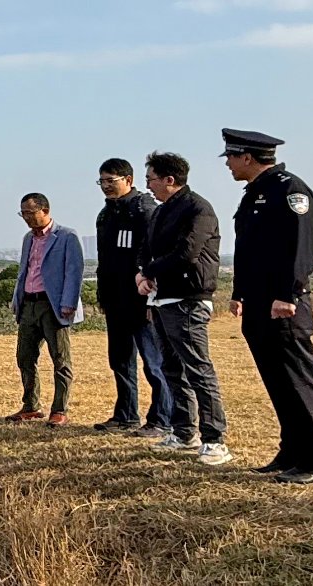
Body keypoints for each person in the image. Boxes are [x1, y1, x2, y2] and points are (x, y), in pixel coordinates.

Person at [222, 128, 313, 484]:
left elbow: (300, 247)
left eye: (230, 157)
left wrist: (290, 294)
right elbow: (248, 251)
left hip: (283, 304)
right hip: (258, 303)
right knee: (278, 382)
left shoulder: (290, 190)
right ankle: (292, 452)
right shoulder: (255, 193)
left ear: (247, 157)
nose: (227, 164)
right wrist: (239, 293)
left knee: (299, 380)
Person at [136, 151, 232, 466]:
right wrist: (142, 273)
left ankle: (214, 439)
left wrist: (150, 271)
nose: (147, 185)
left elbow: (186, 254)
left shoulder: (197, 208)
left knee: (198, 369)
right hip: (161, 299)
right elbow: (146, 249)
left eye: (150, 178)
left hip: (188, 298)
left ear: (169, 179)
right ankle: (183, 431)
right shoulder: (161, 211)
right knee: (171, 368)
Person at [91, 158, 173, 438]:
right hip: (115, 299)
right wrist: (103, 295)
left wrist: (153, 298)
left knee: (154, 362)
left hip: (141, 300)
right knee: (120, 360)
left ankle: (162, 419)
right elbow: (104, 260)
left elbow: (155, 255)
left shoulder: (144, 210)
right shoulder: (106, 214)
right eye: (101, 181)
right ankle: (125, 415)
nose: (105, 186)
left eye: (110, 181)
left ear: (128, 180)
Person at [6, 193, 84, 428]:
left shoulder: (66, 236)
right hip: (28, 304)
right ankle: (31, 405)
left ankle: (59, 410)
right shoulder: (27, 239)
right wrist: (17, 299)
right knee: (25, 358)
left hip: (53, 306)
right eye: (23, 214)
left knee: (60, 359)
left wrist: (68, 303)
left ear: (45, 210)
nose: (26, 218)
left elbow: (74, 271)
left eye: (30, 213)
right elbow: (24, 271)